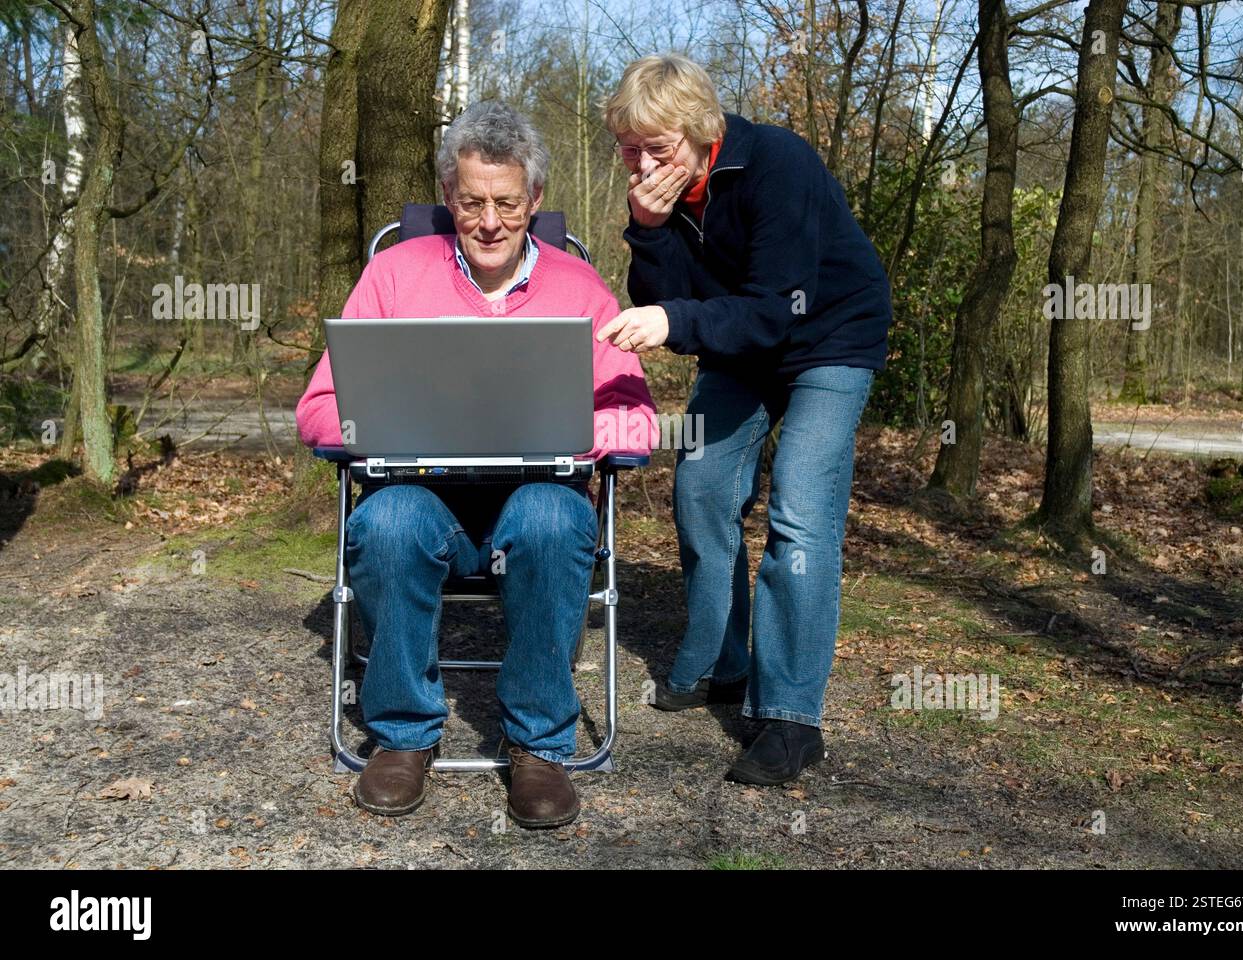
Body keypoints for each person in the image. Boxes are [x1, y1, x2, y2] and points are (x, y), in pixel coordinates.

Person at [297, 101, 657, 826]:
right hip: (421, 493)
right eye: (470, 202)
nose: (489, 221)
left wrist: (577, 431)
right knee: (388, 522)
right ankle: (401, 735)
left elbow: (637, 420)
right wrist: (379, 421)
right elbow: (316, 409)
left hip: (537, 497)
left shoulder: (581, 291)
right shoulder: (395, 278)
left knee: (556, 519)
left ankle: (539, 746)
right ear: (447, 198)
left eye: (506, 202)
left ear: (535, 200)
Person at [597, 53, 893, 785]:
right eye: (630, 150)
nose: (643, 165)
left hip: (829, 338)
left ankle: (791, 719)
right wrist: (649, 228)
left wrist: (674, 317)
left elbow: (769, 310)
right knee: (701, 487)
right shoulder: (663, 193)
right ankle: (719, 663)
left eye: (657, 149)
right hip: (744, 346)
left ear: (703, 131)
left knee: (800, 510)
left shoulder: (779, 165)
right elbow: (672, 297)